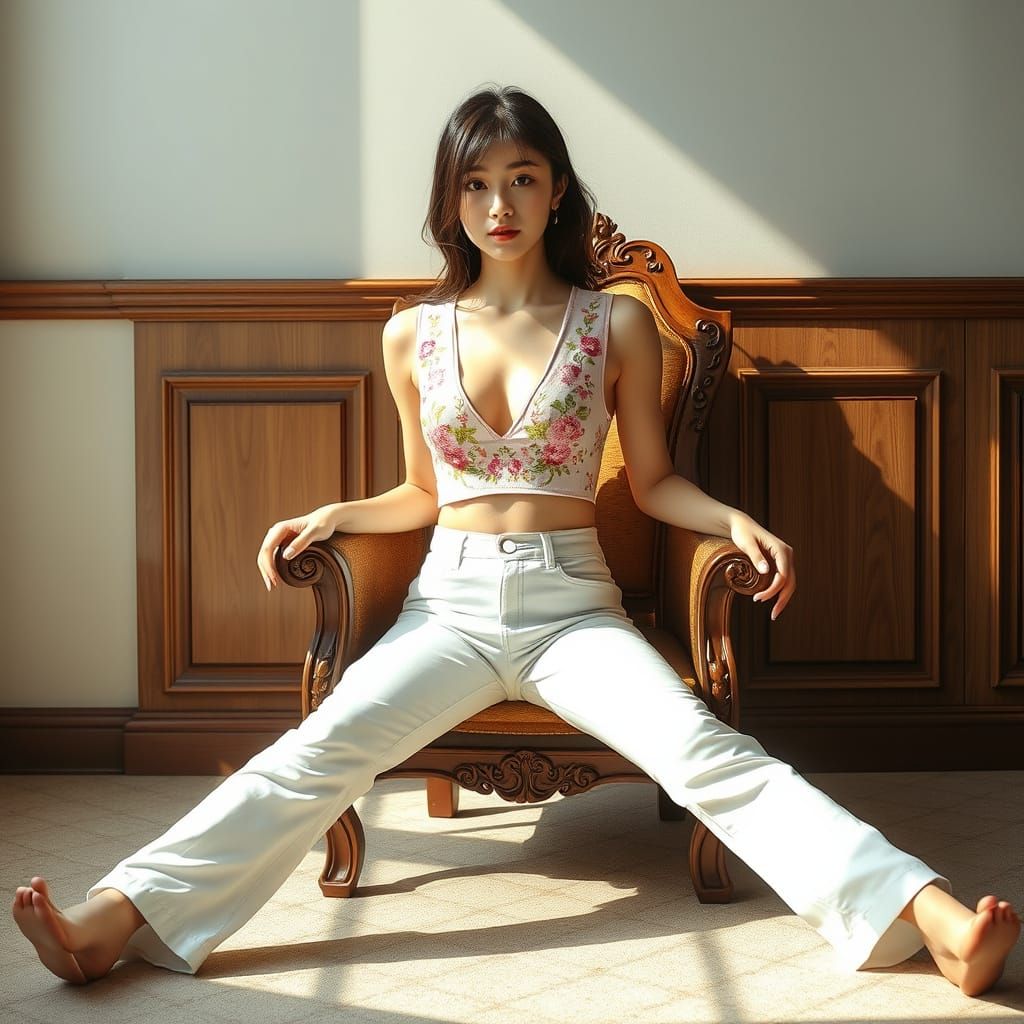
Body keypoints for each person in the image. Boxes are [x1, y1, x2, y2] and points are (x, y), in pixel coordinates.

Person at [12, 84, 1019, 997]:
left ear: (557, 189)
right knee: (311, 755)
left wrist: (734, 520)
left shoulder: (614, 323)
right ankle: (114, 920)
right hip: (445, 607)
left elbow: (655, 481)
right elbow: (422, 492)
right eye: (477, 182)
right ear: (451, 197)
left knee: (710, 754)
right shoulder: (410, 334)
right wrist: (337, 514)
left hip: (573, 609)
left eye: (523, 178)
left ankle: (929, 919)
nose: (500, 202)